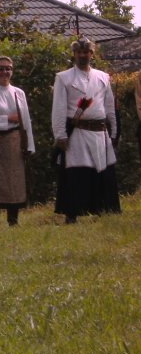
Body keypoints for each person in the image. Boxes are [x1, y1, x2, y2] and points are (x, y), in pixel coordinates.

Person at [52, 38, 121, 223]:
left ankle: (101, 211)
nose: (82, 55)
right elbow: (58, 108)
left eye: (86, 52)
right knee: (77, 173)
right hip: (78, 133)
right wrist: (60, 134)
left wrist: (114, 131)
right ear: (74, 54)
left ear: (92, 54)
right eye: (79, 52)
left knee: (101, 173)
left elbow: (109, 106)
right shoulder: (64, 77)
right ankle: (72, 215)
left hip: (100, 133)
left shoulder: (103, 77)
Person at [0, 56, 35, 226]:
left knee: (15, 182)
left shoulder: (19, 93)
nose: (4, 72)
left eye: (8, 68)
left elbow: (26, 121)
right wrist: (8, 118)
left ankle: (13, 221)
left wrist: (29, 145)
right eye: (1, 69)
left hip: (16, 143)